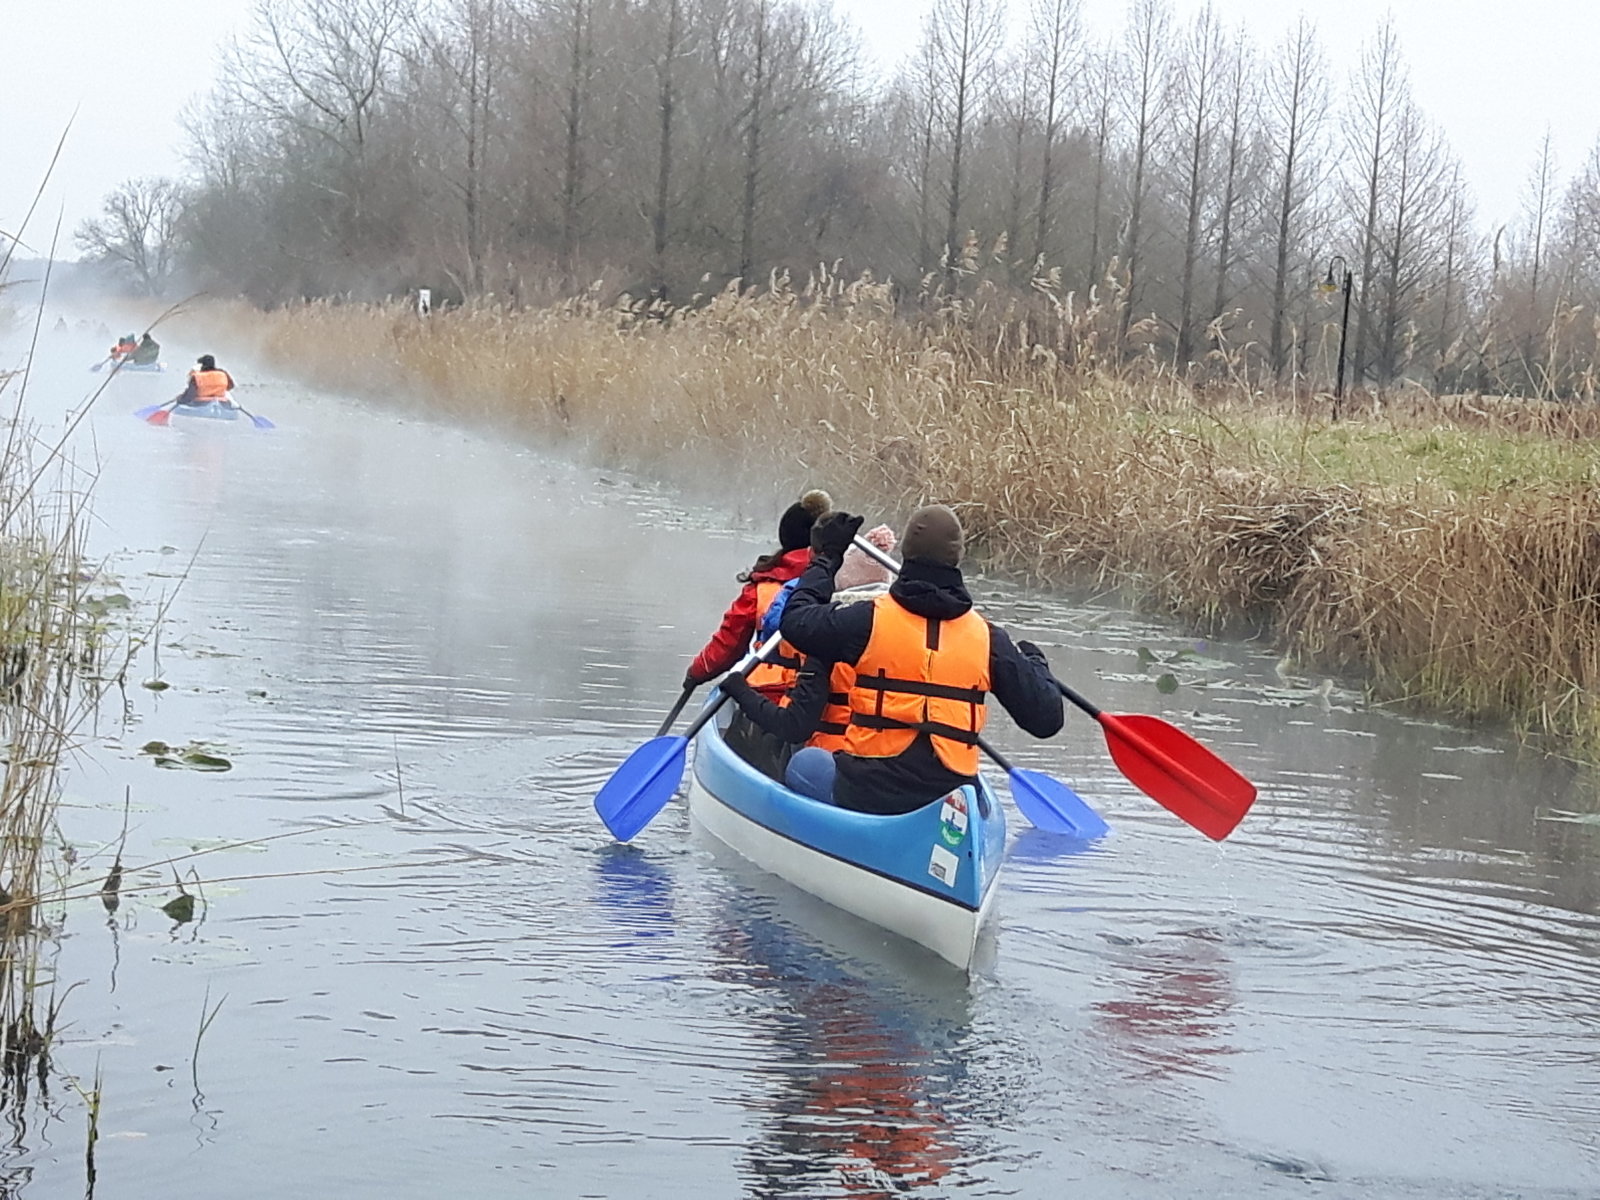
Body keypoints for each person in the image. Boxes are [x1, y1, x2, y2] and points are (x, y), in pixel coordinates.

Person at [779, 504, 1064, 814]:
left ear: (906, 554)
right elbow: (1046, 720)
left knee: (807, 763)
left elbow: (795, 621)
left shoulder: (867, 621)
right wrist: (1036, 663)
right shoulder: (988, 638)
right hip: (949, 798)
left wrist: (828, 558)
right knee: (972, 792)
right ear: (957, 558)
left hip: (867, 793)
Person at [718, 524, 899, 800]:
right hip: (888, 774)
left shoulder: (825, 643)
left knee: (788, 753)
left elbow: (793, 726)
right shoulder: (909, 644)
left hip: (830, 771)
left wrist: (738, 689)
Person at [684, 488, 831, 777]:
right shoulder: (849, 582)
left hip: (769, 700)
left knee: (746, 741)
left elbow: (727, 644)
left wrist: (696, 673)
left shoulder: (763, 587)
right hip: (827, 708)